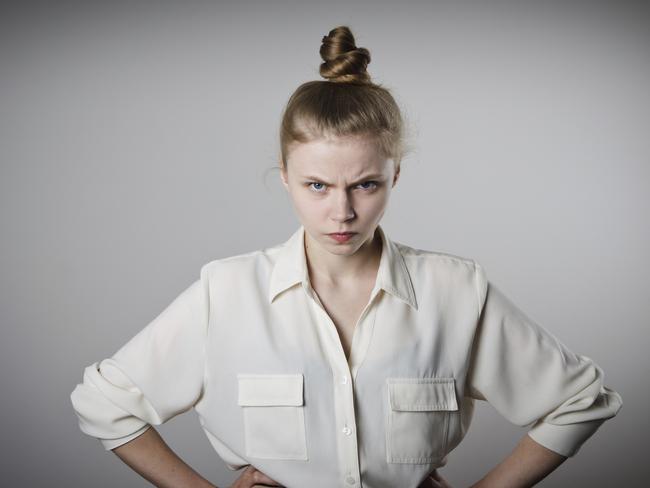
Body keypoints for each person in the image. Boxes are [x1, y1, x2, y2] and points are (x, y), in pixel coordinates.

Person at [70, 26, 622, 488]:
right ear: (284, 178)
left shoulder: (455, 290)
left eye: (365, 185)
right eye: (316, 185)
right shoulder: (226, 291)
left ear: (394, 177)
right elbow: (105, 403)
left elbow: (579, 400)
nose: (342, 212)